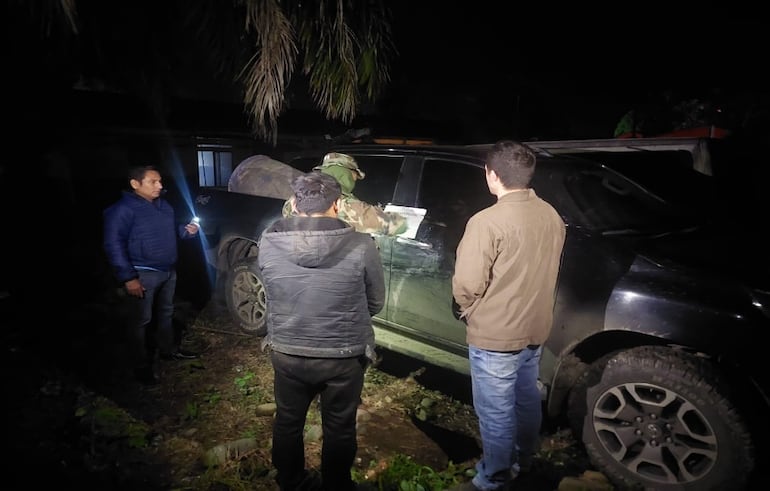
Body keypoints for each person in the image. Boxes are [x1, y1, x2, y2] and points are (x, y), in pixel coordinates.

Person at [449, 141, 566, 491]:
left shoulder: (487, 221)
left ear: (492, 175)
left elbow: (466, 284)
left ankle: (495, 476)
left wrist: (467, 310)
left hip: (497, 334)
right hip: (535, 328)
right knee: (527, 398)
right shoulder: (551, 214)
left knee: (496, 410)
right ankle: (525, 459)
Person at [259, 171, 385, 491]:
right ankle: (337, 485)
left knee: (288, 421)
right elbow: (375, 302)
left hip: (287, 351)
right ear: (338, 203)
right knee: (340, 427)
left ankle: (289, 480)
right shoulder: (362, 244)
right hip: (343, 356)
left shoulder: (269, 241)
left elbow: (273, 290)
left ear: (294, 203)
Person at [103, 165, 200, 386]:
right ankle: (140, 365)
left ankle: (168, 351)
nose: (160, 185)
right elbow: (113, 244)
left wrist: (185, 232)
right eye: (153, 182)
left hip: (167, 271)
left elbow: (169, 231)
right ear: (135, 184)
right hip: (142, 274)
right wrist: (128, 278)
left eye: (160, 181)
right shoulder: (122, 210)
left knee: (165, 313)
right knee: (140, 321)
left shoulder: (163, 206)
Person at [283, 152, 407, 236]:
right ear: (346, 174)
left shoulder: (295, 199)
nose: (355, 179)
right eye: (354, 175)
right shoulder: (344, 204)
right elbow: (398, 226)